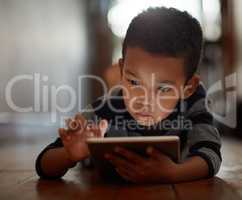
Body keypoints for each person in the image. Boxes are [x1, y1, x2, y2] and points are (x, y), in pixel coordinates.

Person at [35, 7, 222, 184]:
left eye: (163, 89)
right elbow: (44, 164)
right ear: (122, 69)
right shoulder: (105, 110)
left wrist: (172, 173)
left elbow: (210, 156)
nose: (144, 101)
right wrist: (69, 155)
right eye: (134, 83)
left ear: (188, 87)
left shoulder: (193, 103)